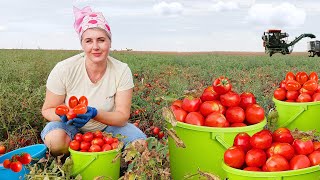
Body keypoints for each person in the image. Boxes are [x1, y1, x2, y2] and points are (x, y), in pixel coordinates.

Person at [40, 6, 146, 156]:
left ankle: (103, 155)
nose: (95, 47)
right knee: (55, 142)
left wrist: (95, 113)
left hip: (108, 127)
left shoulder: (121, 70)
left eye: (101, 40)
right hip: (69, 126)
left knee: (140, 145)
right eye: (88, 41)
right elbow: (48, 109)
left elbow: (122, 116)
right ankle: (73, 152)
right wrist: (63, 116)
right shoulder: (64, 69)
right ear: (82, 44)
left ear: (110, 42)